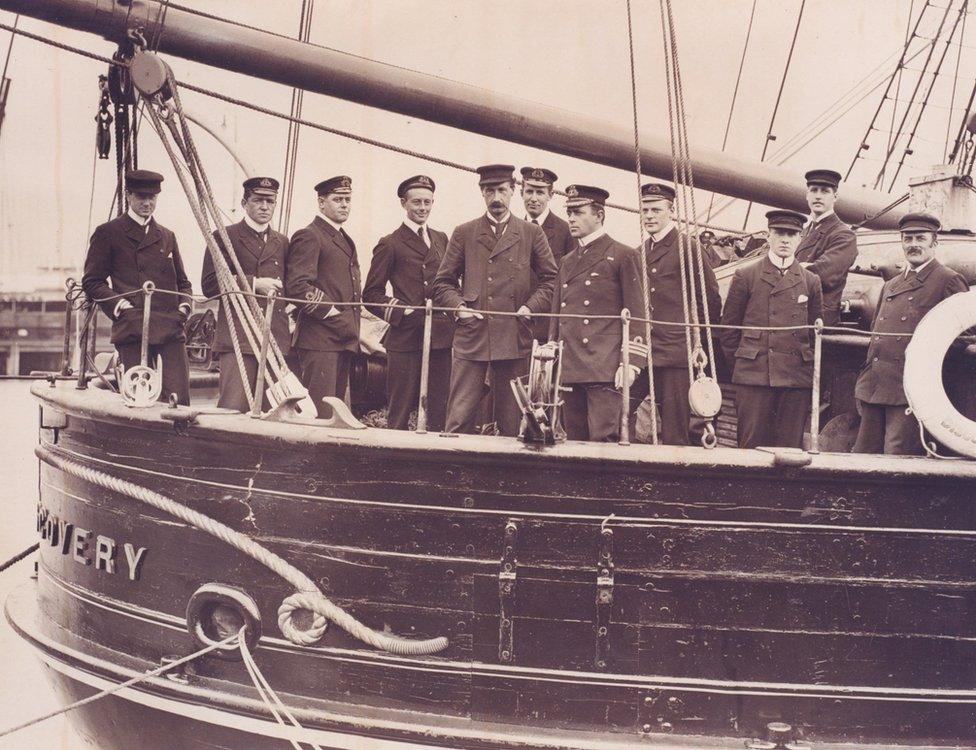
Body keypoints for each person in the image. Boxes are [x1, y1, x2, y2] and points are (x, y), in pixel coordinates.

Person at [432, 164, 557, 436]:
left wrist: (529, 307)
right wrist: (459, 309)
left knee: (513, 421)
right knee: (459, 417)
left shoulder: (531, 233)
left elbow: (551, 280)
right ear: (482, 193)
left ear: (513, 191)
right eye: (490, 191)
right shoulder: (465, 232)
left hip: (514, 334)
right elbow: (443, 282)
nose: (496, 198)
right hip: (472, 334)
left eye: (502, 190)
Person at [852, 212, 968, 455]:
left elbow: (962, 337)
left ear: (934, 243)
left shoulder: (948, 280)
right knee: (863, 455)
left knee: (897, 456)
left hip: (910, 390)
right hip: (875, 385)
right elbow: (876, 335)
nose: (913, 244)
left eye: (920, 238)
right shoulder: (890, 285)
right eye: (908, 238)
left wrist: (923, 363)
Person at [82, 169, 193, 405]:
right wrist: (121, 306)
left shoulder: (167, 236)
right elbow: (92, 281)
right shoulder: (108, 233)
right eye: (141, 196)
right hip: (132, 325)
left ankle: (177, 441)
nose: (147, 202)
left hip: (170, 326)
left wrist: (184, 307)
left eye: (152, 197)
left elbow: (183, 282)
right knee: (137, 400)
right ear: (129, 196)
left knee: (180, 399)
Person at [625, 182, 721, 445]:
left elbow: (709, 299)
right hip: (645, 351)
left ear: (671, 211)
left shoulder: (687, 248)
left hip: (678, 353)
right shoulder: (640, 252)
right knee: (621, 409)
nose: (650, 216)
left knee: (675, 426)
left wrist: (698, 342)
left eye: (656, 210)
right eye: (645, 210)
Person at [720, 209, 823, 449]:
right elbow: (729, 330)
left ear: (800, 238)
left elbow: (815, 333)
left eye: (792, 234)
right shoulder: (746, 275)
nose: (785, 239)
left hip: (794, 378)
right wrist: (743, 366)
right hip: (754, 375)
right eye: (779, 233)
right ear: (769, 236)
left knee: (789, 449)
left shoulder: (810, 281)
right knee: (750, 446)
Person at [548, 185, 644, 442]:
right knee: (574, 441)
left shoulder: (623, 255)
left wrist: (631, 363)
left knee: (604, 442)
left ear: (599, 215)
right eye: (569, 212)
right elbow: (559, 314)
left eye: (578, 212)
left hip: (604, 368)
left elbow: (636, 314)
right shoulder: (567, 261)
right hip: (571, 366)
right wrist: (552, 352)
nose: (571, 218)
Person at [362, 175, 454, 431]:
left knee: (440, 405)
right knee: (400, 405)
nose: (423, 208)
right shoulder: (389, 243)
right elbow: (370, 295)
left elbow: (450, 282)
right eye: (417, 202)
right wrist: (403, 311)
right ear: (404, 203)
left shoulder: (441, 239)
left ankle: (436, 459)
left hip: (440, 336)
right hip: (405, 336)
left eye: (428, 202)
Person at [201, 176, 291, 412]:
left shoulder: (282, 242)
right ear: (244, 203)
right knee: (233, 409)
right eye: (258, 200)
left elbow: (290, 287)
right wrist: (254, 283)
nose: (264, 206)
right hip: (239, 338)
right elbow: (210, 285)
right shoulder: (224, 236)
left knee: (274, 414)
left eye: (270, 201)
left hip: (274, 339)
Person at [284, 175, 362, 416]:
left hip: (342, 338)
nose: (344, 205)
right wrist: (333, 313)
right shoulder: (310, 235)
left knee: (335, 415)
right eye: (337, 199)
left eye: (347, 199)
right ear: (321, 203)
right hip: (320, 339)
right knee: (319, 414)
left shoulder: (343, 238)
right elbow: (297, 286)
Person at [795, 168, 858, 326]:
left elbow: (823, 275)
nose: (818, 196)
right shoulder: (802, 232)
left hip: (817, 320)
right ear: (807, 195)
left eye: (825, 191)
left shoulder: (844, 234)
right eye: (813, 190)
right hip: (793, 315)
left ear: (835, 196)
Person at [520, 166, 576, 343]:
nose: (534, 198)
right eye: (529, 191)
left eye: (540, 192)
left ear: (551, 195)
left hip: (548, 324)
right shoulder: (513, 230)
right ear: (521, 193)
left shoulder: (566, 231)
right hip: (517, 320)